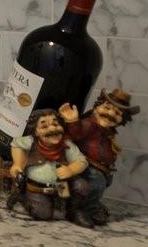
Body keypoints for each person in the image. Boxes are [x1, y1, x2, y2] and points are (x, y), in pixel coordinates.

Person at [60, 88, 140, 227]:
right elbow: (77, 134)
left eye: (116, 113)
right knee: (92, 184)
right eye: (107, 108)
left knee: (98, 186)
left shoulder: (108, 131)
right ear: (97, 106)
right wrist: (73, 121)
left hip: (101, 170)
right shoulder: (90, 124)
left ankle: (91, 206)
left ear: (122, 119)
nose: (110, 114)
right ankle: (79, 209)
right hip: (85, 167)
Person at [7, 108, 86, 222]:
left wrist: (70, 170)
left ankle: (71, 211)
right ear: (36, 132)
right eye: (44, 126)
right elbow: (16, 144)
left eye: (56, 124)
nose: (53, 129)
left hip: (60, 186)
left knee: (81, 186)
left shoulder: (66, 145)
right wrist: (17, 164)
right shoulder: (31, 142)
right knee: (43, 214)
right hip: (37, 188)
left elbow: (81, 161)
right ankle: (23, 200)